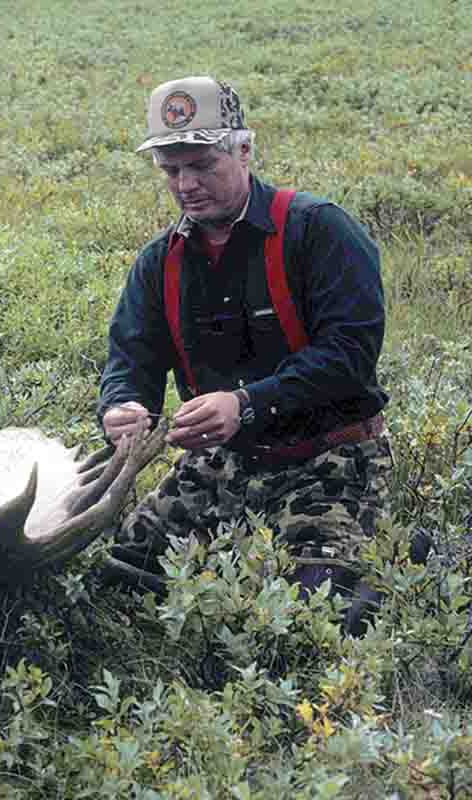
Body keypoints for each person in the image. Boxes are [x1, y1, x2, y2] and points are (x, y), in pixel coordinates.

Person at [97, 76, 395, 633]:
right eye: (171, 170)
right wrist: (122, 408)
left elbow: (350, 354)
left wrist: (247, 402)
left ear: (243, 149)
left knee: (315, 618)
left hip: (330, 460)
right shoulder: (159, 262)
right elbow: (130, 360)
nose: (186, 184)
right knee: (119, 582)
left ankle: (398, 552)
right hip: (223, 461)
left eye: (203, 164)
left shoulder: (318, 230)